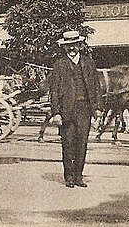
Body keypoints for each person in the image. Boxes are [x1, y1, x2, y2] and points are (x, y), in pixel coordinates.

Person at [49, 30, 103, 189]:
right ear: (64, 48)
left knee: (82, 143)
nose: (71, 49)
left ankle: (79, 176)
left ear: (80, 45)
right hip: (66, 110)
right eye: (68, 46)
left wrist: (98, 108)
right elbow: (54, 91)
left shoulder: (88, 63)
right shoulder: (59, 65)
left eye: (74, 45)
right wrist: (56, 113)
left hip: (84, 109)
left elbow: (96, 87)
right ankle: (69, 177)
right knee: (67, 143)